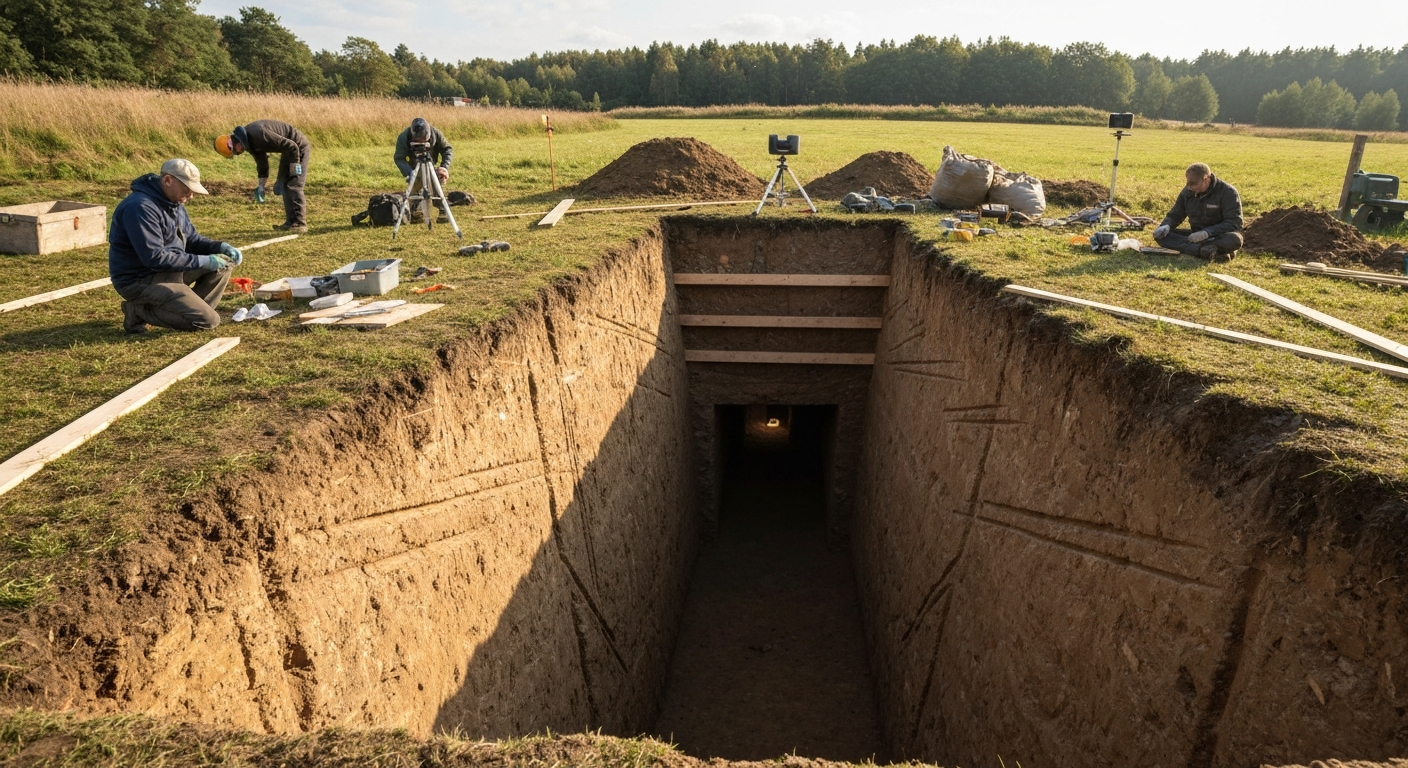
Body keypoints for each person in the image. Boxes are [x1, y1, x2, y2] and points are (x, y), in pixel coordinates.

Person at [108, 159, 243, 334]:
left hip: (168, 271)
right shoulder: (140, 208)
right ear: (167, 181)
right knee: (208, 320)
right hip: (140, 280)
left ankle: (187, 308)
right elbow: (155, 258)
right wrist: (205, 261)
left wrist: (220, 247)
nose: (191, 195)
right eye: (187, 188)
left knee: (223, 265)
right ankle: (138, 311)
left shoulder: (174, 203)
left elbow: (192, 240)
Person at [215, 120, 311, 233]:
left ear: (233, 143)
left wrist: (295, 166)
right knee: (283, 184)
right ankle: (291, 223)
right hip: (288, 150)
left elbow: (292, 145)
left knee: (293, 184)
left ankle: (300, 223)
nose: (238, 153)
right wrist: (261, 186)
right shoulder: (248, 144)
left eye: (235, 152)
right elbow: (262, 163)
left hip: (298, 147)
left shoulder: (259, 134)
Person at [1153, 162, 1243, 261]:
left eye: (1193, 184)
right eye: (1187, 182)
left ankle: (1208, 249)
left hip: (1217, 236)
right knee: (1162, 236)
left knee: (1234, 239)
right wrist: (1166, 225)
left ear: (1206, 179)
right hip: (1194, 236)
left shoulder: (1228, 192)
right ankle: (1207, 251)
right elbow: (1175, 214)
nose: (1189, 186)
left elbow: (1234, 223)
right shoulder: (1187, 192)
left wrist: (1207, 233)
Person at [394, 117, 453, 198]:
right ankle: (413, 202)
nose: (421, 143)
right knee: (414, 193)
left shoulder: (436, 133)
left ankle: (440, 203)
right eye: (418, 141)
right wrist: (410, 172)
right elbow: (399, 158)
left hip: (431, 165)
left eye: (424, 139)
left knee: (439, 177)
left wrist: (444, 167)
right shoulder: (404, 137)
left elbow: (447, 149)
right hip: (415, 167)